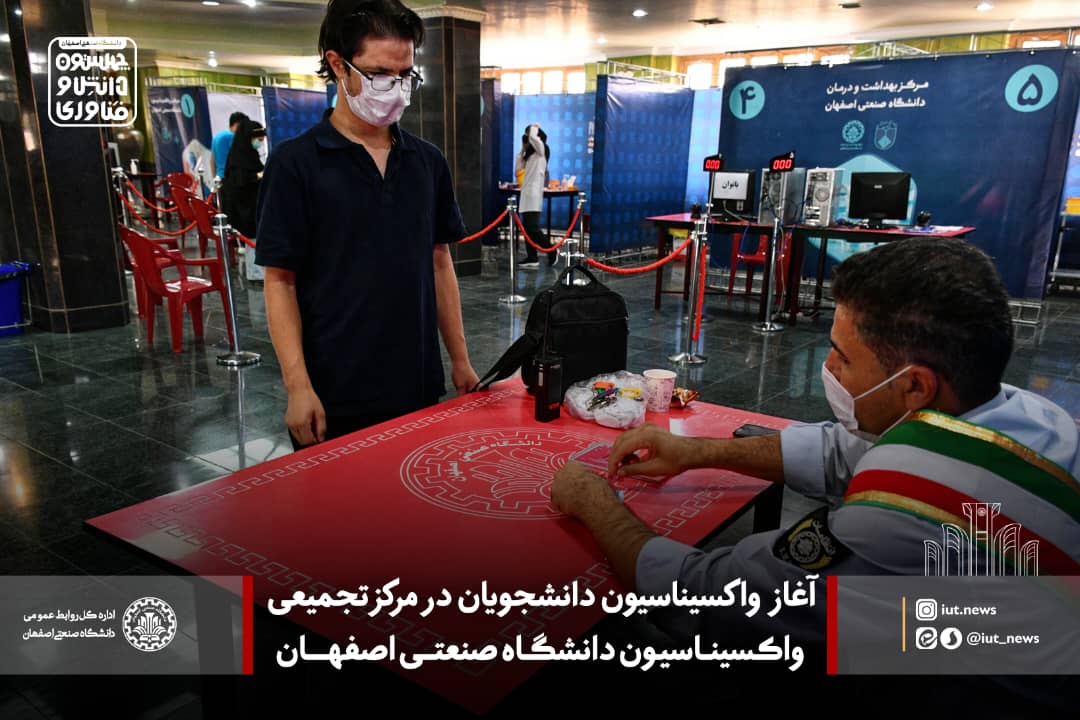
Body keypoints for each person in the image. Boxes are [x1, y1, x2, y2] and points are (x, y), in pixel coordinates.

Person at [551, 237, 1079, 710]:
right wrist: (693, 452)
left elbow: (709, 596)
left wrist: (597, 504)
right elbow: (838, 451)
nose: (827, 368)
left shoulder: (903, 515)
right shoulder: (1035, 418)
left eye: (843, 357)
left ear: (915, 385)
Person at [254, 0, 478, 451]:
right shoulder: (295, 164)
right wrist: (298, 386)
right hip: (335, 390)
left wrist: (460, 358)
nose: (394, 89)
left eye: (404, 75)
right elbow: (279, 281)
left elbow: (439, 263)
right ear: (338, 64)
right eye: (379, 74)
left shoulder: (427, 162)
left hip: (417, 381)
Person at [515, 123, 554, 268]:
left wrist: (534, 127)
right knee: (527, 229)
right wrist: (522, 149)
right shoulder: (531, 156)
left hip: (533, 195)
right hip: (526, 195)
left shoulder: (541, 151)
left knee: (533, 228)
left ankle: (551, 250)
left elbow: (533, 137)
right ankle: (532, 257)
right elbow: (518, 168)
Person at [220, 119, 266, 239]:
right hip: (242, 208)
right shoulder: (239, 157)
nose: (260, 143)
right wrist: (260, 175)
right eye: (259, 140)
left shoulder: (250, 153)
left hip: (249, 204)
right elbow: (241, 181)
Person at [211, 111, 248, 180]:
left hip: (219, 177)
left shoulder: (216, 137)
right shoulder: (233, 136)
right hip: (231, 178)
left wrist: (215, 178)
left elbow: (212, 161)